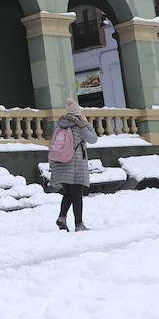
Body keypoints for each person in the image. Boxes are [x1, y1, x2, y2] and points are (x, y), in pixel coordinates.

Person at [51, 98, 98, 231]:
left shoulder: (59, 126)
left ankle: (62, 217)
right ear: (78, 114)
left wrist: (53, 166)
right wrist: (85, 124)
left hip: (60, 165)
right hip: (75, 166)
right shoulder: (79, 127)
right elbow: (93, 139)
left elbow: (52, 145)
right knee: (77, 195)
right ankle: (79, 225)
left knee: (68, 193)